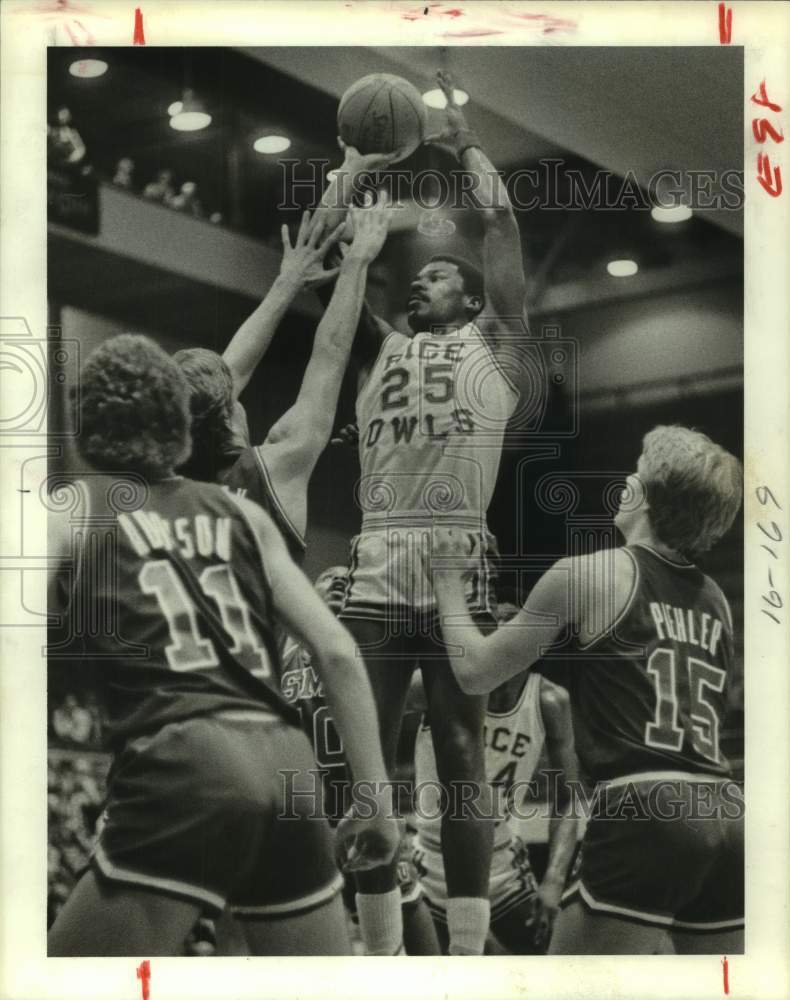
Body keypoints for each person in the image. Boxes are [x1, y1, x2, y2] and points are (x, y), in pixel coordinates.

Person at [46, 334, 400, 957]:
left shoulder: (74, 512)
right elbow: (339, 655)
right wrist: (376, 800)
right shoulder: (245, 517)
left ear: (86, 429)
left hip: (186, 758)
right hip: (285, 762)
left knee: (61, 978)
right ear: (178, 428)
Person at [313, 69, 535, 956]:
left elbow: (506, 222)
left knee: (458, 751)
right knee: (367, 764)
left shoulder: (496, 344)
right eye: (421, 276)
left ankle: (469, 956)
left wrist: (463, 137)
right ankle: (385, 952)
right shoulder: (386, 345)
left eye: (440, 275)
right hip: (377, 554)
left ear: (472, 301)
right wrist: (351, 165)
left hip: (454, 556)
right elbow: (328, 252)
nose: (423, 282)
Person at [431, 425, 744, 955]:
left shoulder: (588, 574)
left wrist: (445, 583)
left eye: (637, 469)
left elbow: (476, 671)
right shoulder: (717, 599)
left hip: (645, 804)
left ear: (648, 493)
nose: (625, 478)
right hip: (729, 810)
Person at [174, 185, 394, 564]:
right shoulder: (275, 467)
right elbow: (331, 351)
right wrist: (358, 259)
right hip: (258, 626)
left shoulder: (172, 486)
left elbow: (225, 378)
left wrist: (288, 280)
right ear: (227, 412)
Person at [280, 565, 441, 956]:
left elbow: (428, 690)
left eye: (347, 580)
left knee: (413, 924)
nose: (338, 581)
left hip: (362, 812)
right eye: (327, 577)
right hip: (302, 825)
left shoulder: (372, 656)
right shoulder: (283, 649)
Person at [410, 602, 579, 954]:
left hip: (501, 864)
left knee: (554, 965)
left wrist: (554, 878)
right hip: (428, 861)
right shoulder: (436, 684)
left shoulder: (549, 700)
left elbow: (567, 799)